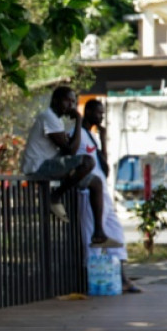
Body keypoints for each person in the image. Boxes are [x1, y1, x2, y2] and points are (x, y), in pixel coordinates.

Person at [20, 86, 121, 248]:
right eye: (68, 101)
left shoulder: (57, 121)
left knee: (96, 183)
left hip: (51, 164)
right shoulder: (48, 117)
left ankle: (99, 234)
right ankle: (56, 196)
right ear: (55, 101)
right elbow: (70, 150)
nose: (71, 105)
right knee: (87, 161)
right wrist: (79, 120)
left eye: (74, 102)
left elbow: (68, 147)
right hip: (38, 167)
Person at [73, 99, 140, 292]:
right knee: (91, 237)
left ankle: (122, 278)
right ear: (88, 112)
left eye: (102, 114)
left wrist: (102, 141)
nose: (101, 117)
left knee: (115, 232)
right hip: (88, 192)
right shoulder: (79, 135)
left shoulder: (93, 137)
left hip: (103, 193)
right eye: (98, 113)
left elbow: (105, 168)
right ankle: (89, 279)